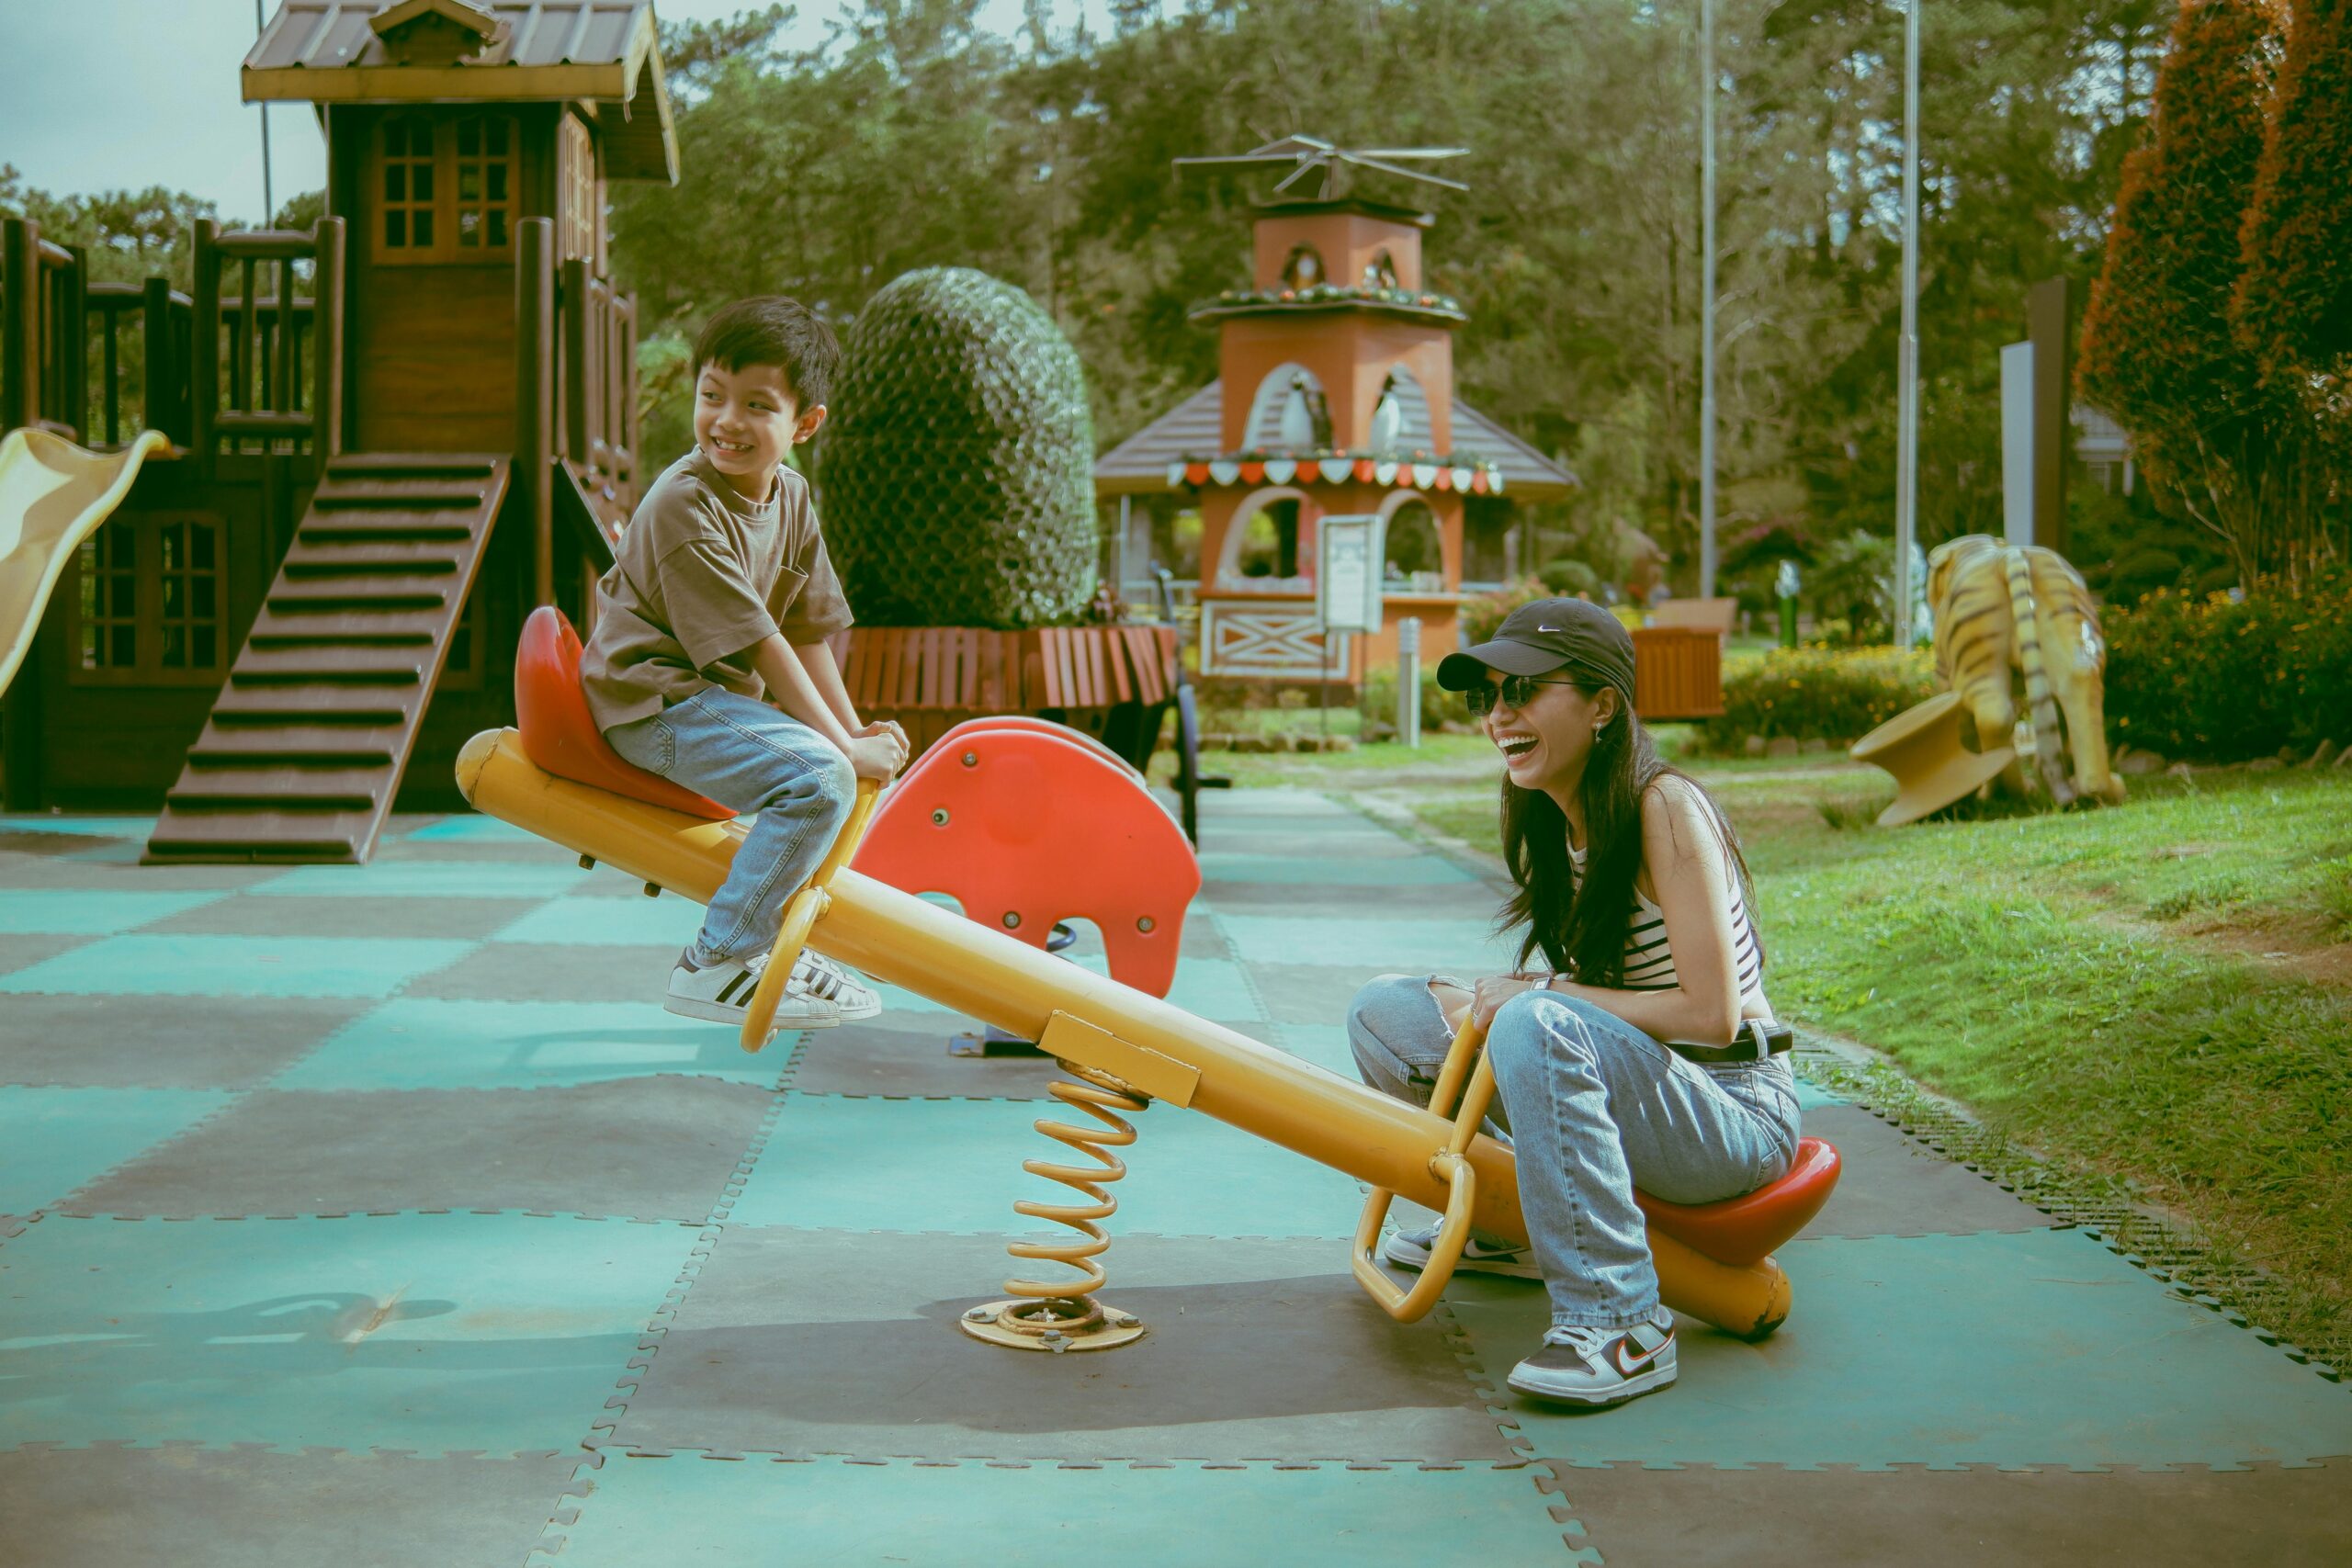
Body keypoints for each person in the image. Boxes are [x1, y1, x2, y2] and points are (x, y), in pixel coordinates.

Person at [1345, 598, 1799, 1410]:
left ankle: (1622, 1320)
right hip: (1647, 1083)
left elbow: (1712, 1017)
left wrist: (1536, 999)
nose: (1499, 714)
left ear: (1603, 704)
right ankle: (1505, 1225)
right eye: (1486, 696)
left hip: (1734, 1111)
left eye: (1522, 688)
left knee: (1531, 1015)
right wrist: (1485, 1003)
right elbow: (1596, 999)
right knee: (1386, 1009)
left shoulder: (1664, 806)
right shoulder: (1553, 817)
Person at [580, 297, 908, 1028]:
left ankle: (765, 936)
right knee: (818, 778)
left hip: (707, 703)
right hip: (650, 703)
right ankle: (718, 957)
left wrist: (858, 733)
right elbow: (764, 642)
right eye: (711, 396)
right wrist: (844, 750)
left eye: (756, 404)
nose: (725, 420)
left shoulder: (791, 497)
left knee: (835, 771)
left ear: (805, 423)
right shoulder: (682, 504)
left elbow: (809, 630)